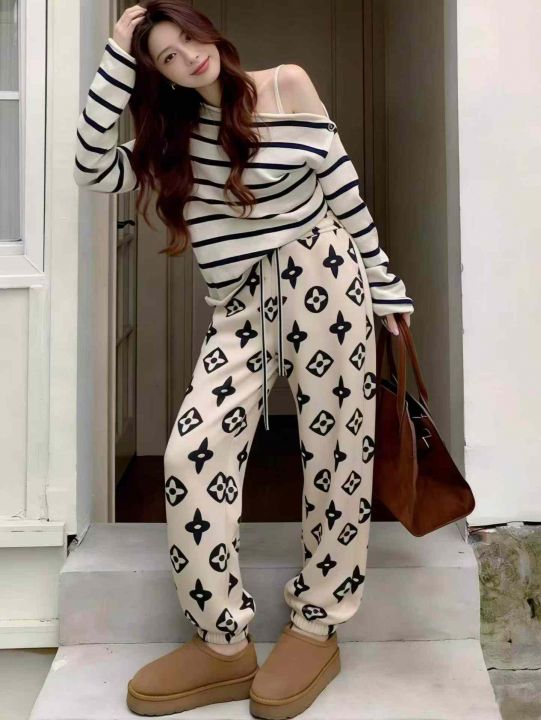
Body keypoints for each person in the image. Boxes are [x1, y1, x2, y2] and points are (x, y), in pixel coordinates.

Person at [73, 1, 414, 717]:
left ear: (208, 32)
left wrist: (385, 286)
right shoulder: (169, 137)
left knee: (338, 455)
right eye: (165, 56)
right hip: (240, 311)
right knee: (189, 456)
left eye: (187, 38)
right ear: (156, 74)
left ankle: (317, 624)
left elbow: (344, 193)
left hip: (325, 279)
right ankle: (222, 642)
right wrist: (116, 55)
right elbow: (89, 167)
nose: (186, 56)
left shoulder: (286, 85)